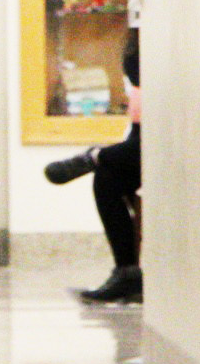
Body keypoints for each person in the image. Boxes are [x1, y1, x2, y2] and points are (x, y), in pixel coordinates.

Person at [45, 28, 140, 303]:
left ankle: (94, 156)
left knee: (111, 161)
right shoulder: (138, 44)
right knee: (107, 177)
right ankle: (127, 272)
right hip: (142, 137)